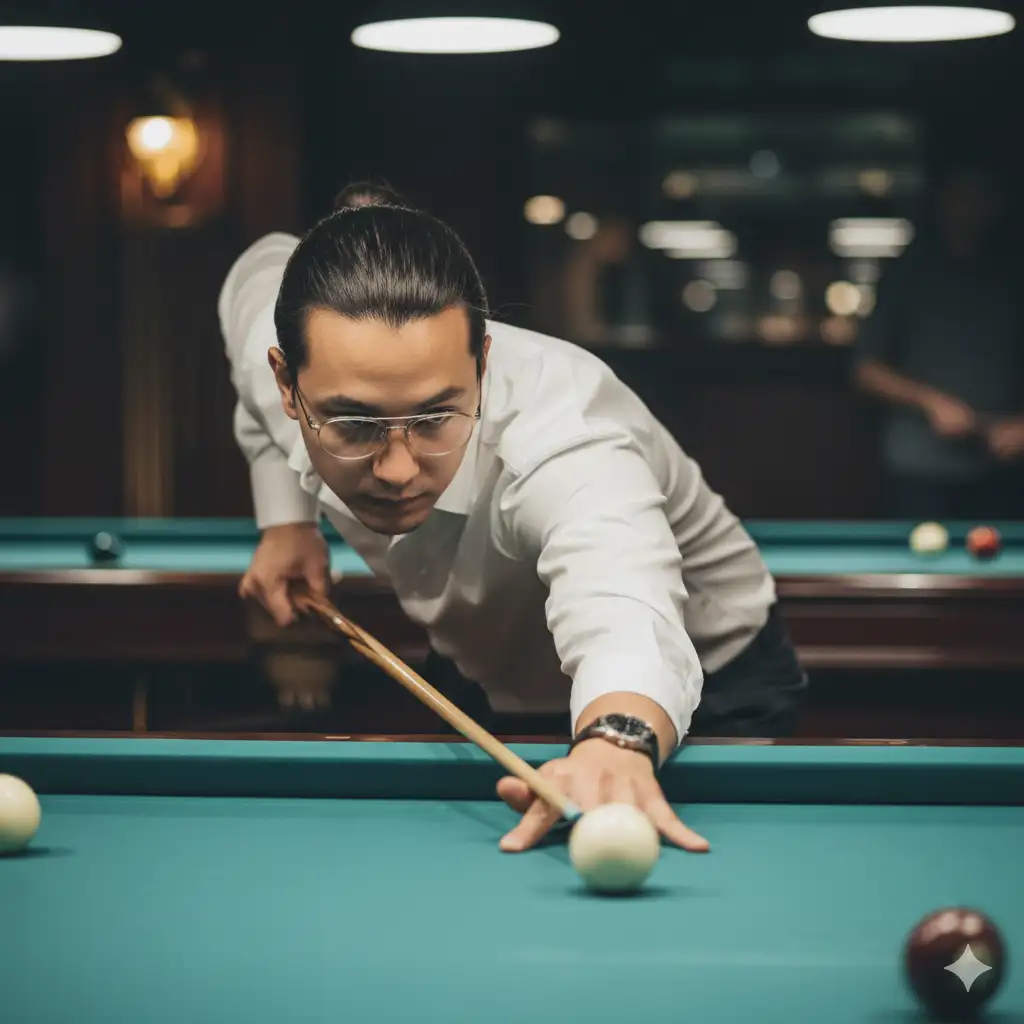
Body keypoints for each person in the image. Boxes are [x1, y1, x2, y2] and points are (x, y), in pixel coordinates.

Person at [218, 194, 807, 854]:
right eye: (354, 425)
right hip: (485, 656)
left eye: (435, 418)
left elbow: (623, 604)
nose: (397, 471)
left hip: (708, 681)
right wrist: (286, 525)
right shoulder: (268, 345)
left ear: (484, 365)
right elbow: (256, 270)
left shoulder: (567, 437)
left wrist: (617, 739)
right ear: (286, 382)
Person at [854, 163, 1024, 519]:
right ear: (942, 201)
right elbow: (866, 369)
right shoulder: (908, 274)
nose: (975, 207)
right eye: (965, 195)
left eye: (985, 196)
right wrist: (931, 402)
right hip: (918, 468)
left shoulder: (1015, 275)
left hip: (1004, 466)